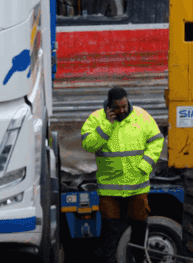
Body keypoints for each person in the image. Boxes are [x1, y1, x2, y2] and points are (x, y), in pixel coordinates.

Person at [81, 86, 164, 263]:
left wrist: (145, 165)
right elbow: (89, 145)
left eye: (124, 106)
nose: (122, 110)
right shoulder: (97, 118)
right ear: (109, 106)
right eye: (117, 107)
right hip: (110, 189)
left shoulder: (142, 116)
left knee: (139, 230)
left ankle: (138, 260)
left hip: (137, 186)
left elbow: (157, 140)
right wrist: (107, 126)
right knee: (110, 234)